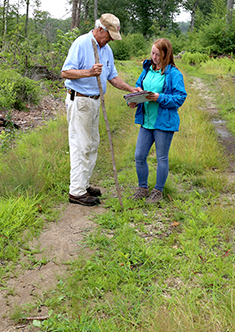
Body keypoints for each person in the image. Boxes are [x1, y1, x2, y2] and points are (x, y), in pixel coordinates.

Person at [61, 13, 140, 207]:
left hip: (95, 101)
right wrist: (89, 72)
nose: (111, 40)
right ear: (100, 30)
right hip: (80, 100)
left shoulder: (106, 50)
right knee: (81, 145)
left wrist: (131, 89)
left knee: (92, 144)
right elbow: (65, 72)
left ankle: (83, 184)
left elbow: (112, 76)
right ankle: (76, 192)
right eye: (109, 35)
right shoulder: (82, 43)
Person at [128, 38, 187, 204]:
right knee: (139, 155)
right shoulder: (147, 70)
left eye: (157, 54)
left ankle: (158, 191)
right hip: (146, 121)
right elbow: (138, 87)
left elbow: (180, 98)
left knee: (162, 157)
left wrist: (159, 97)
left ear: (165, 54)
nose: (153, 57)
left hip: (164, 123)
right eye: (152, 53)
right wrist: (133, 100)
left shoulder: (174, 74)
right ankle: (143, 188)